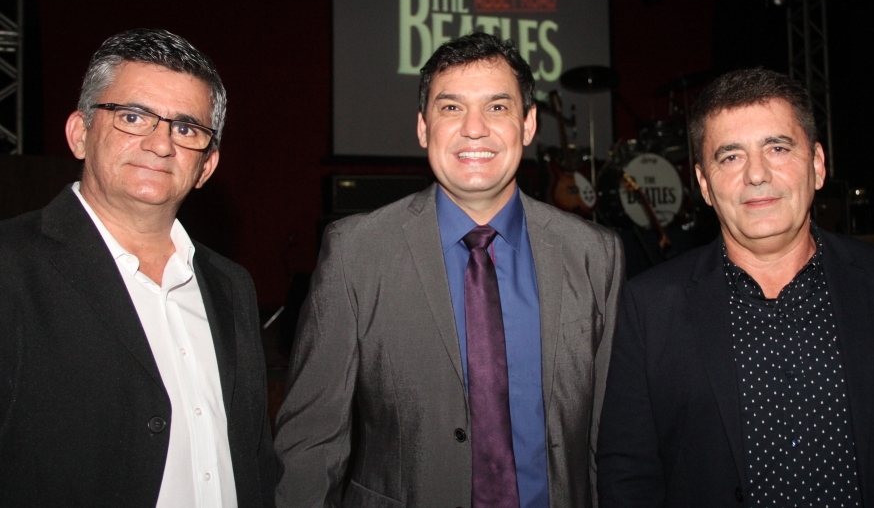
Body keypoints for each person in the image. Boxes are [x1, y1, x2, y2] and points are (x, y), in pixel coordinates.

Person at [597, 67, 874, 507]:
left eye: (778, 148)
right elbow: (628, 477)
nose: (756, 174)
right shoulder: (649, 308)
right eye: (730, 157)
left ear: (818, 165)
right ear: (705, 185)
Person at [274, 31, 624, 508]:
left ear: (528, 124)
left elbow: (614, 438)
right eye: (451, 107)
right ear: (423, 128)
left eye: (497, 107)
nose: (474, 129)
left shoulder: (594, 254)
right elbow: (311, 446)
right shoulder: (356, 252)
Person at [0, 29, 275, 507]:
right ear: (80, 134)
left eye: (185, 128)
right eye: (132, 117)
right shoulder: (11, 267)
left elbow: (253, 460)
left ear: (207, 166)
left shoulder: (231, 285)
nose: (161, 144)